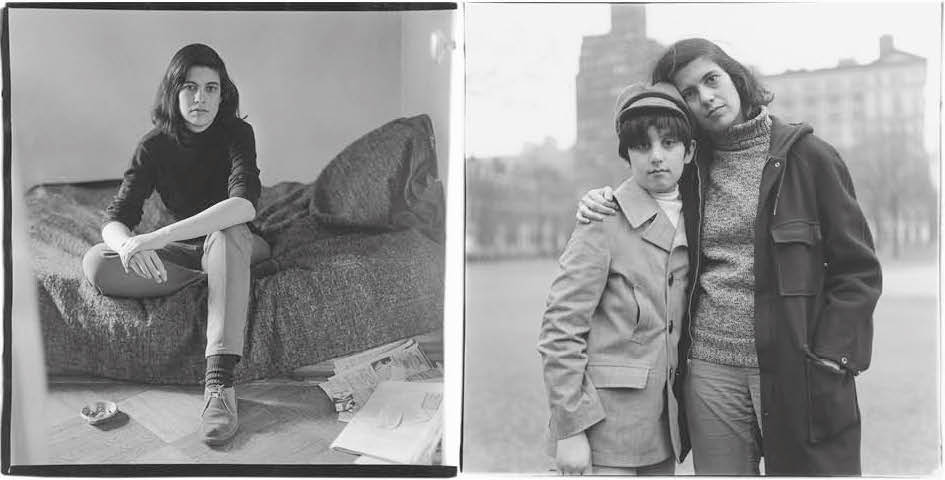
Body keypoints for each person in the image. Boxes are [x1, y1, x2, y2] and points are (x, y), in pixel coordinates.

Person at [576, 38, 882, 475]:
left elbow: (858, 271)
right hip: (709, 374)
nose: (707, 98)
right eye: (690, 94)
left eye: (711, 80)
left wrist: (833, 356)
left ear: (735, 77)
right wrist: (600, 199)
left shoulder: (810, 158)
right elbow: (644, 183)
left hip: (797, 370)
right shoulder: (690, 171)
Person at [82, 43, 270, 446]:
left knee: (227, 232)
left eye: (211, 88)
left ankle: (219, 384)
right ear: (173, 91)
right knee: (97, 263)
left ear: (223, 95)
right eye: (189, 87)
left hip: (237, 240)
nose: (200, 98)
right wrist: (131, 246)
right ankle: (217, 279)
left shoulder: (238, 133)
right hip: (188, 255)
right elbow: (116, 218)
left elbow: (244, 204)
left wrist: (158, 236)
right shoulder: (153, 145)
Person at [538, 82, 697, 475]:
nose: (656, 157)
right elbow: (560, 329)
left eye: (669, 143)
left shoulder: (698, 217)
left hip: (664, 430)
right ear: (627, 155)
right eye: (642, 146)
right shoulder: (603, 219)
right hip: (604, 430)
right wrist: (570, 431)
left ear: (690, 151)